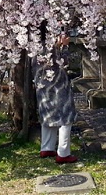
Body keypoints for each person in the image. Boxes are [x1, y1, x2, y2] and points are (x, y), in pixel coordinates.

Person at [32, 32, 77, 164]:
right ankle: (63, 153)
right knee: (66, 117)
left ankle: (46, 147)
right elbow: (64, 63)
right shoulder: (53, 47)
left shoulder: (34, 44)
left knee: (47, 115)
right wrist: (64, 46)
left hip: (42, 86)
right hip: (58, 86)